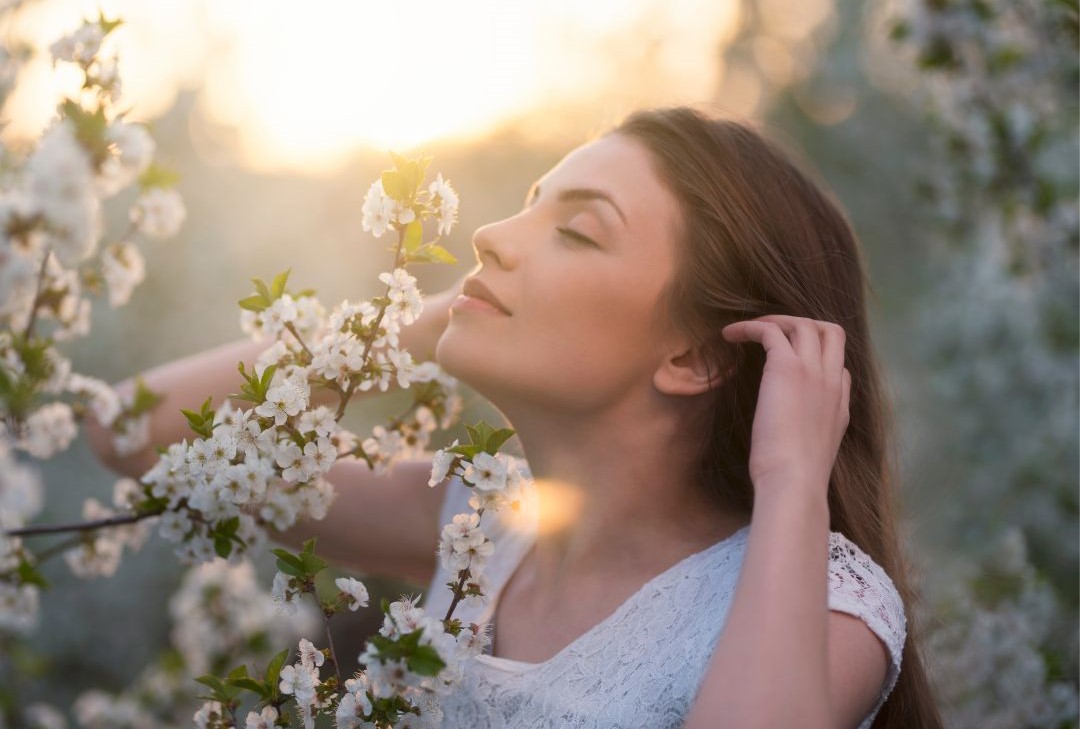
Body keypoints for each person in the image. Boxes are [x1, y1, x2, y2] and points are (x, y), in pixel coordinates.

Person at [89, 106, 943, 728]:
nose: (493, 232)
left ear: (695, 358)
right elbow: (135, 433)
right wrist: (401, 325)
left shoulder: (824, 603)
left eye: (576, 231)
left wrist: (793, 481)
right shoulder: (476, 521)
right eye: (529, 203)